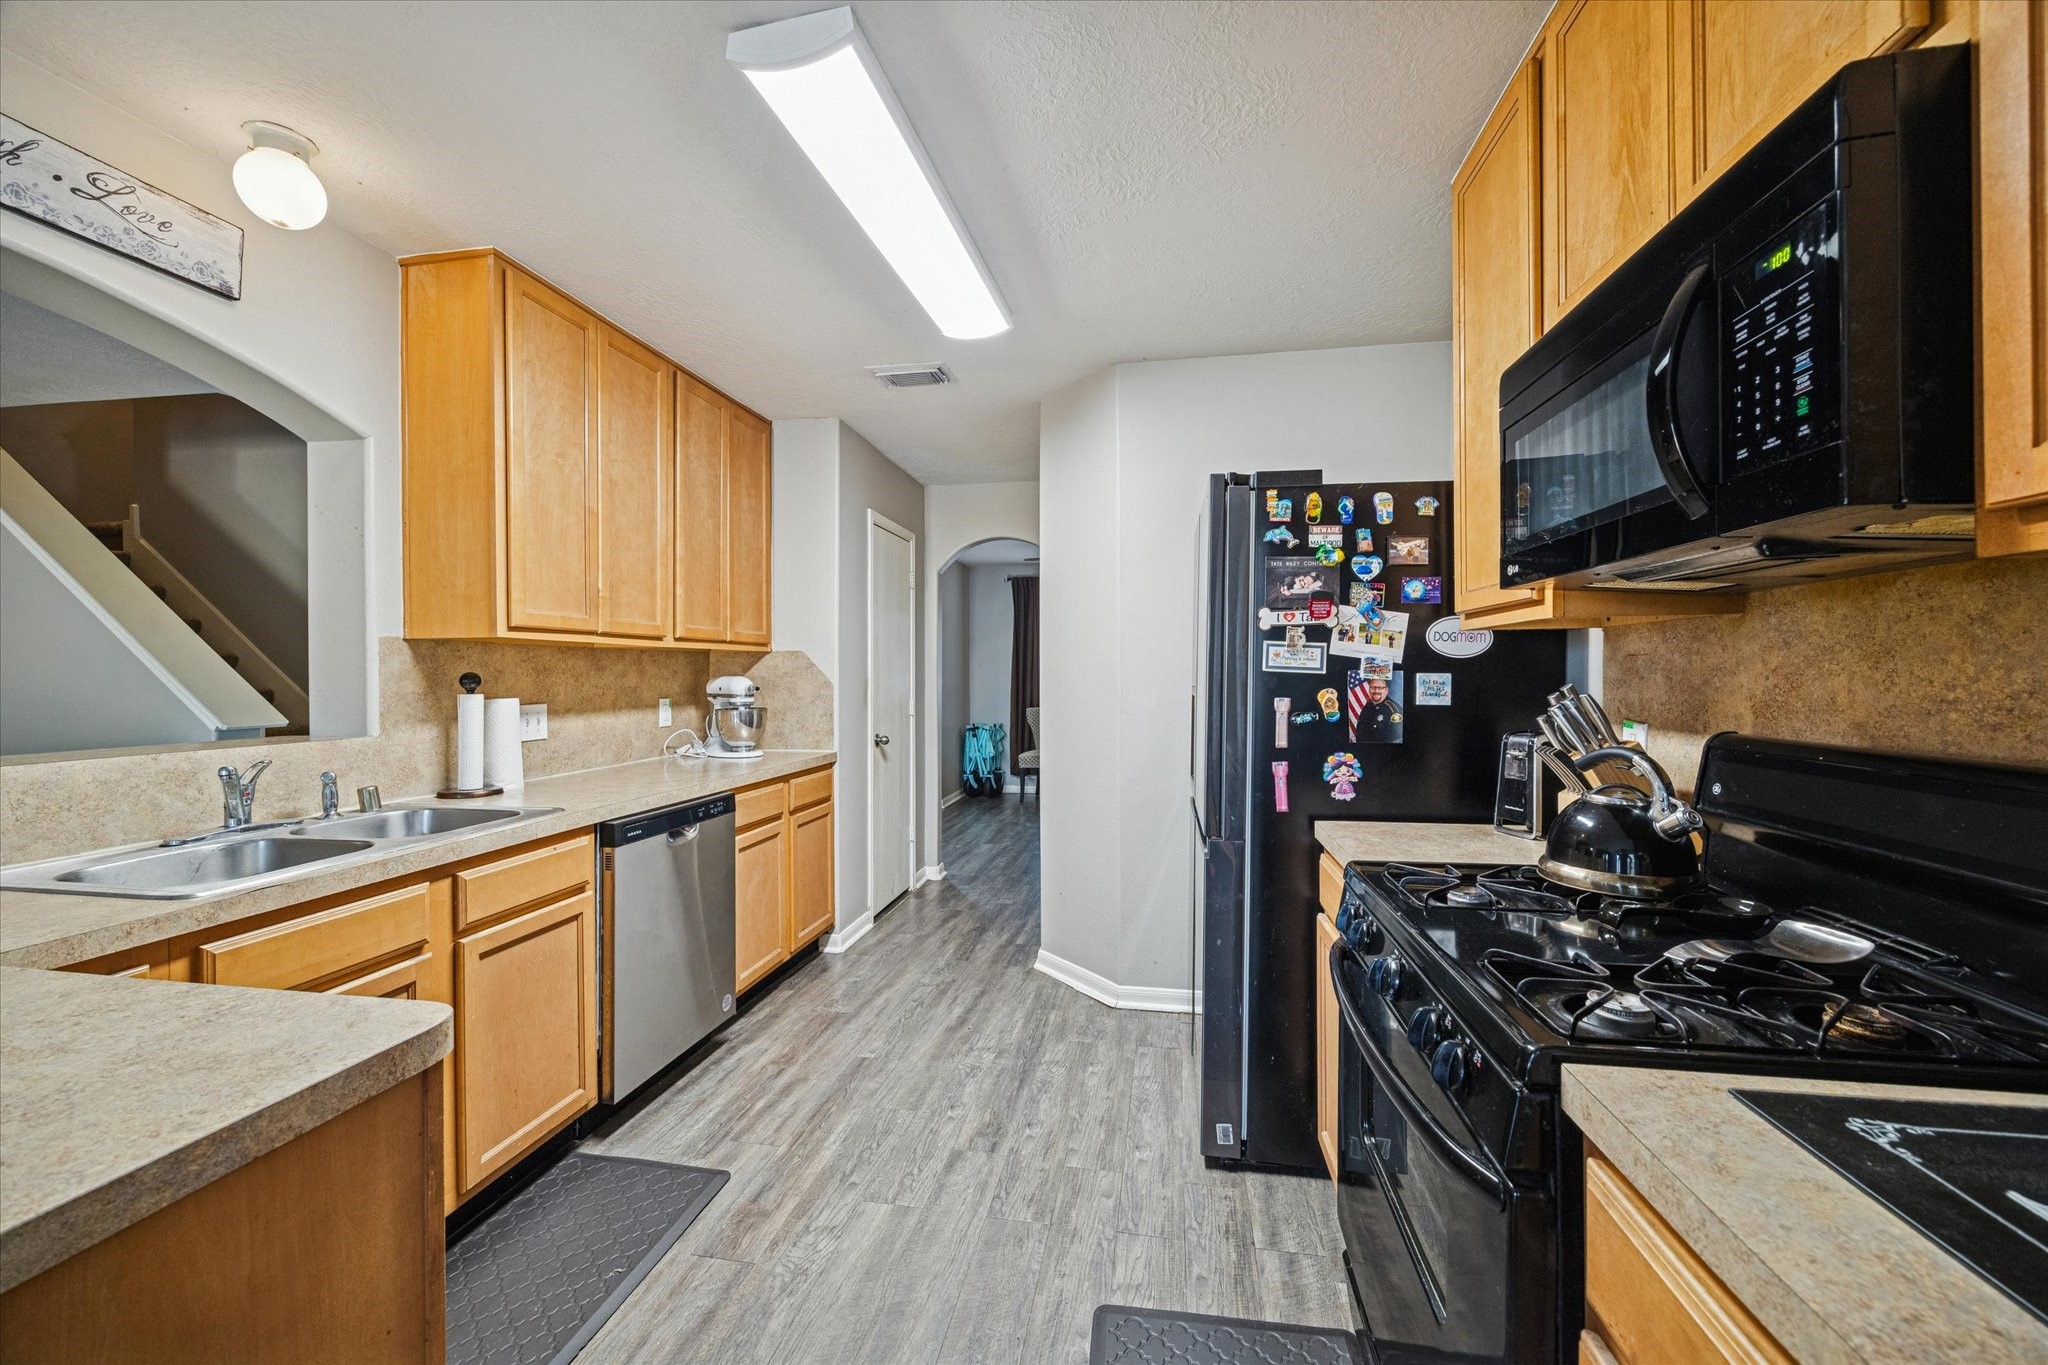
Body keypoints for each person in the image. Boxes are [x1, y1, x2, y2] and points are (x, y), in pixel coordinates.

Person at [1356, 675, 1404, 743]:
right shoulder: (1368, 706)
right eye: (1373, 687)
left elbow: (1395, 741)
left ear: (1386, 690)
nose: (1376, 690)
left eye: (1380, 688)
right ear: (1369, 690)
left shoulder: (1394, 711)